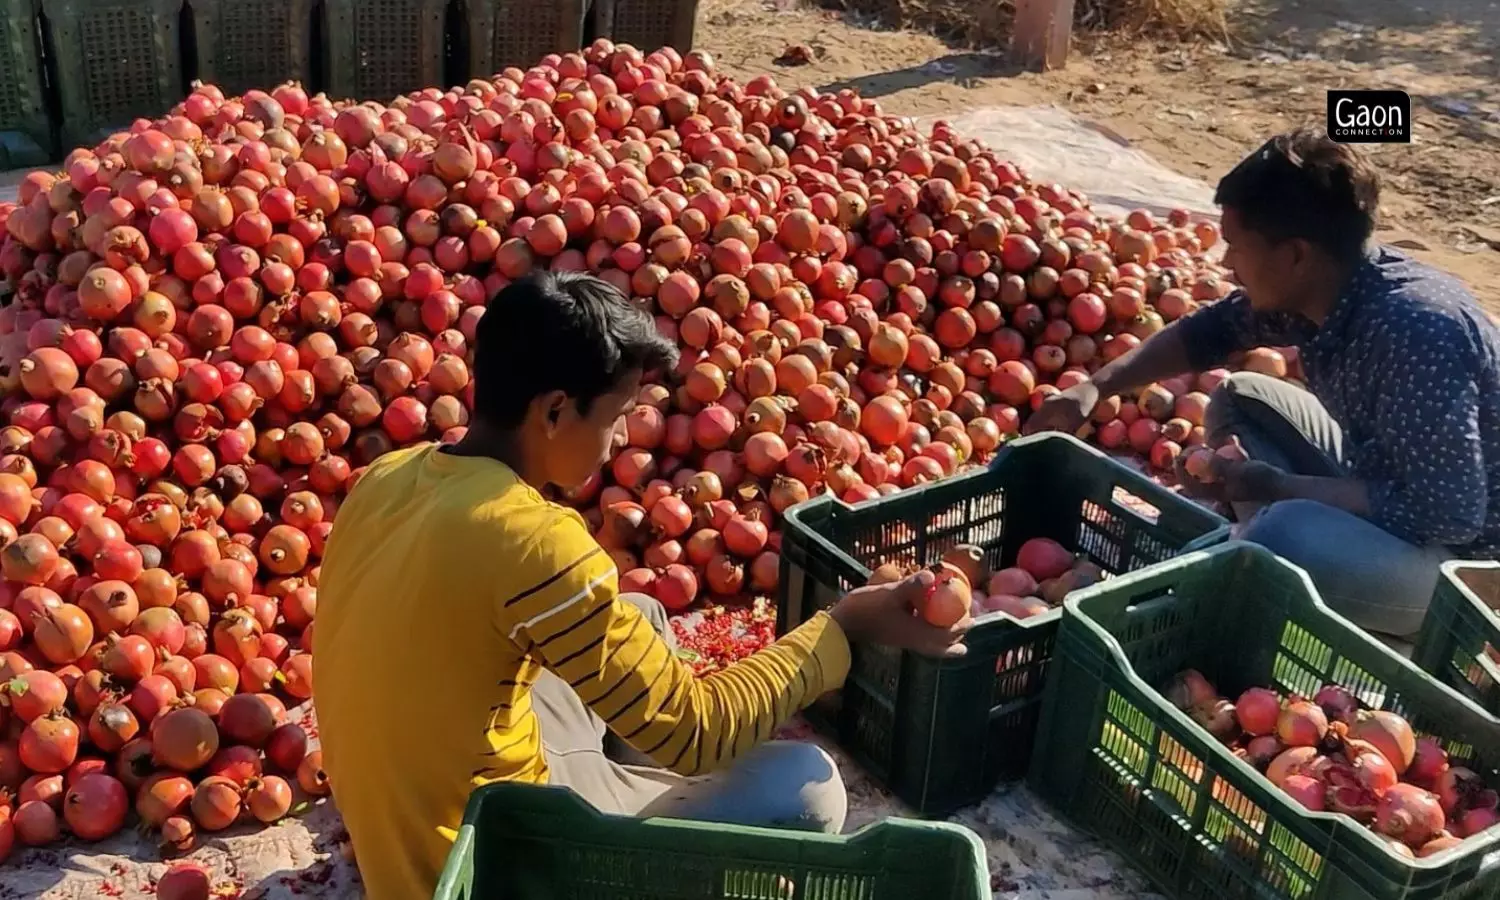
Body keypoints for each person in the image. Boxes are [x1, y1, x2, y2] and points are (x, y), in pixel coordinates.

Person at [314, 271, 971, 900]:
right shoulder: (534, 542)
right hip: (489, 860)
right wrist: (844, 626)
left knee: (642, 611)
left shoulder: (391, 474)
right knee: (808, 787)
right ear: (554, 411)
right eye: (618, 414)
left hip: (409, 819)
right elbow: (699, 733)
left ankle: (641, 783)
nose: (625, 435)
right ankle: (638, 815)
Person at [1028, 127, 1500, 639]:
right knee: (1241, 398)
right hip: (1386, 476)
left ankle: (1334, 600)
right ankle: (1276, 549)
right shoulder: (1327, 285)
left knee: (1280, 534)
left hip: (1467, 574)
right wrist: (1096, 387)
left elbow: (1448, 516)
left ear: (1295, 255)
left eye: (1235, 246)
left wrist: (1281, 488)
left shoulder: (1416, 333)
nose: (1225, 263)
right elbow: (1212, 330)